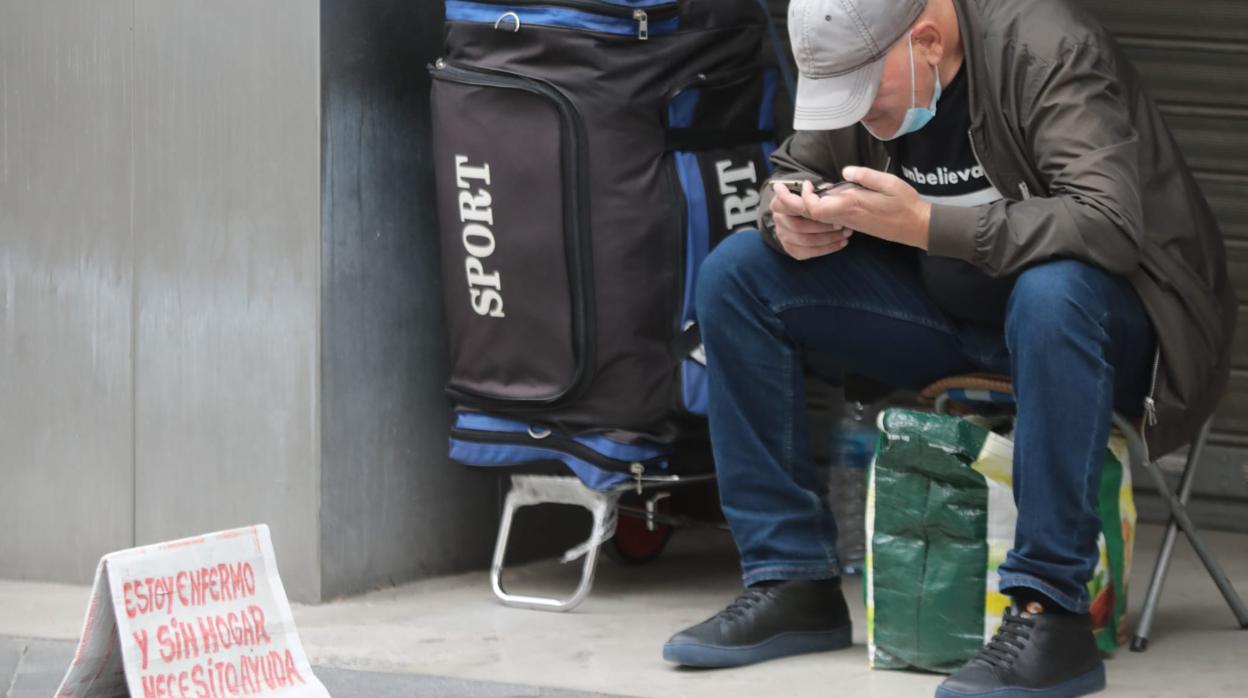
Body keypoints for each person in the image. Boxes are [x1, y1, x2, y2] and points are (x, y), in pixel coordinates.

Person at [661, 0, 1234, 696]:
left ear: (926, 41)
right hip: (954, 318)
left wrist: (930, 223)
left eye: (869, 99)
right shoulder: (863, 53)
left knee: (1052, 292)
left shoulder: (1045, 47)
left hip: (1109, 332)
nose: (860, 120)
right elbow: (794, 167)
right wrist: (785, 215)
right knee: (738, 273)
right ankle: (791, 580)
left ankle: (1050, 611)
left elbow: (1108, 223)